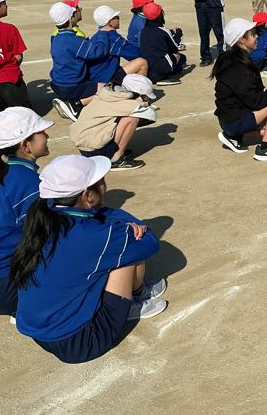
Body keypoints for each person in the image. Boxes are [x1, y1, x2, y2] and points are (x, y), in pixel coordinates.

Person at [10, 155, 168, 364]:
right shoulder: (93, 233)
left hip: (40, 333)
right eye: (100, 181)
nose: (104, 185)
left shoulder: (41, 220)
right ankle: (136, 297)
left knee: (92, 260)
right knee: (126, 252)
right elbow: (149, 242)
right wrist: (118, 219)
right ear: (87, 195)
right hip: (82, 342)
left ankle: (131, 294)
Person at [0, 107, 52, 316]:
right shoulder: (30, 184)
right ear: (26, 145)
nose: (47, 135)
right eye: (41, 132)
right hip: (6, 287)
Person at [213, 18, 267, 161]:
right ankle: (265, 148)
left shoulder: (231, 59)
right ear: (241, 40)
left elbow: (251, 94)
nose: (257, 37)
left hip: (229, 119)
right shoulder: (239, 66)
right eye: (253, 34)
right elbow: (254, 101)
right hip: (234, 119)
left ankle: (234, 136)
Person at [69, 74, 157, 171]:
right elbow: (151, 116)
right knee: (131, 119)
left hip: (84, 147)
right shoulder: (129, 103)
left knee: (118, 118)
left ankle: (112, 151)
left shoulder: (106, 93)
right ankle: (116, 160)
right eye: (146, 97)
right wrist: (144, 104)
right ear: (139, 93)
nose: (147, 99)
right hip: (95, 151)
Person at [49, 2, 105, 123]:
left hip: (56, 84)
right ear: (70, 19)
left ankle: (67, 99)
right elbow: (98, 52)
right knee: (107, 88)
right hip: (71, 87)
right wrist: (101, 38)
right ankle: (76, 104)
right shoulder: (75, 40)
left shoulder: (55, 37)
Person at [0, 0, 32, 113]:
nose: (7, 6)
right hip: (10, 81)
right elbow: (18, 57)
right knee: (24, 114)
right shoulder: (9, 29)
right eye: (4, 3)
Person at [87, 5, 148, 85]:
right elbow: (135, 54)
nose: (119, 19)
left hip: (94, 76)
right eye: (116, 17)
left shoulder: (96, 35)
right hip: (105, 78)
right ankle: (139, 90)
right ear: (109, 22)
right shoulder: (113, 37)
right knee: (142, 62)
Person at [139, 2, 187, 86]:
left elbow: (158, 34)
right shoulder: (164, 32)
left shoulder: (144, 30)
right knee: (180, 56)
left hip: (148, 67)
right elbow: (176, 46)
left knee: (177, 60)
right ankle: (162, 77)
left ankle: (160, 74)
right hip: (161, 68)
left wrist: (171, 31)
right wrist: (178, 33)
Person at [249, 11, 267, 77]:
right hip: (260, 62)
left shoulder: (250, 32)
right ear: (265, 23)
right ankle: (266, 70)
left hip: (249, 62)